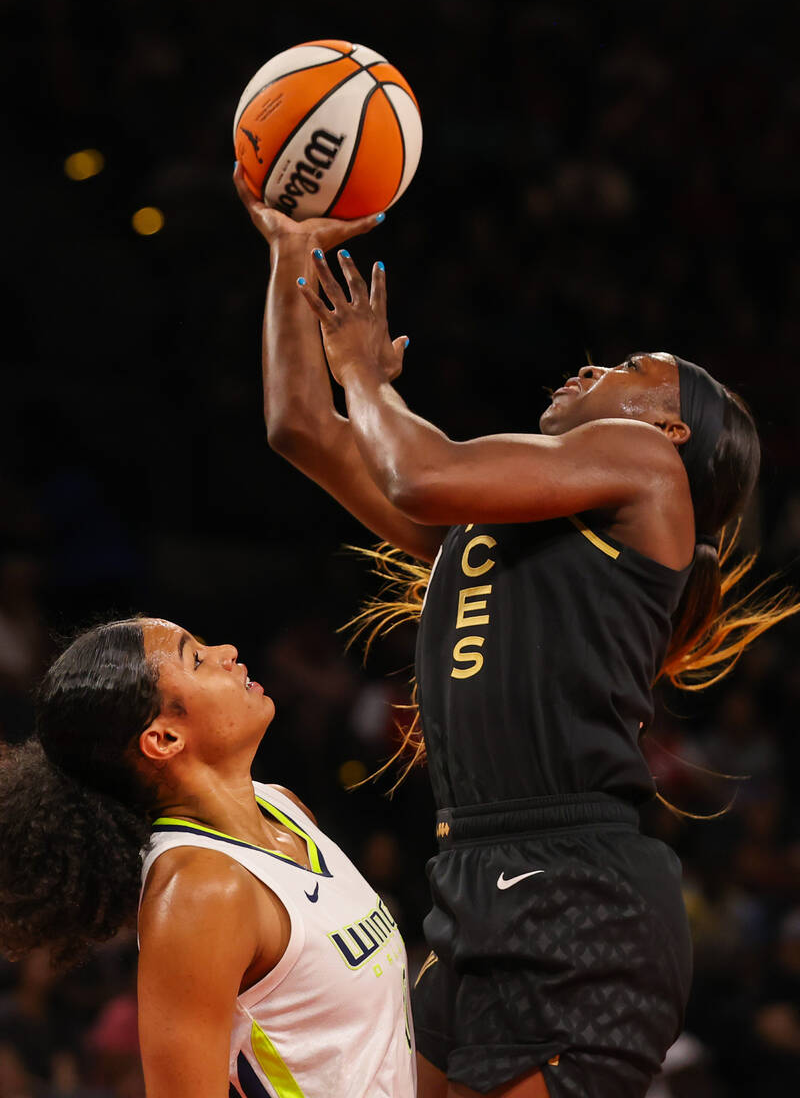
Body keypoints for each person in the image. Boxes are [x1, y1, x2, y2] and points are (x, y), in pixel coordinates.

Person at [234, 164, 799, 1098]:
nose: (598, 366)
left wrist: (367, 376)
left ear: (671, 425)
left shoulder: (647, 468)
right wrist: (291, 259)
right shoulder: (500, 527)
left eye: (635, 369)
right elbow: (300, 427)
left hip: (582, 889)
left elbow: (418, 472)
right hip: (474, 874)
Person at [0, 616, 416, 1098]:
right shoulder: (200, 890)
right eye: (195, 658)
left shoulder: (285, 807)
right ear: (164, 739)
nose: (228, 650)